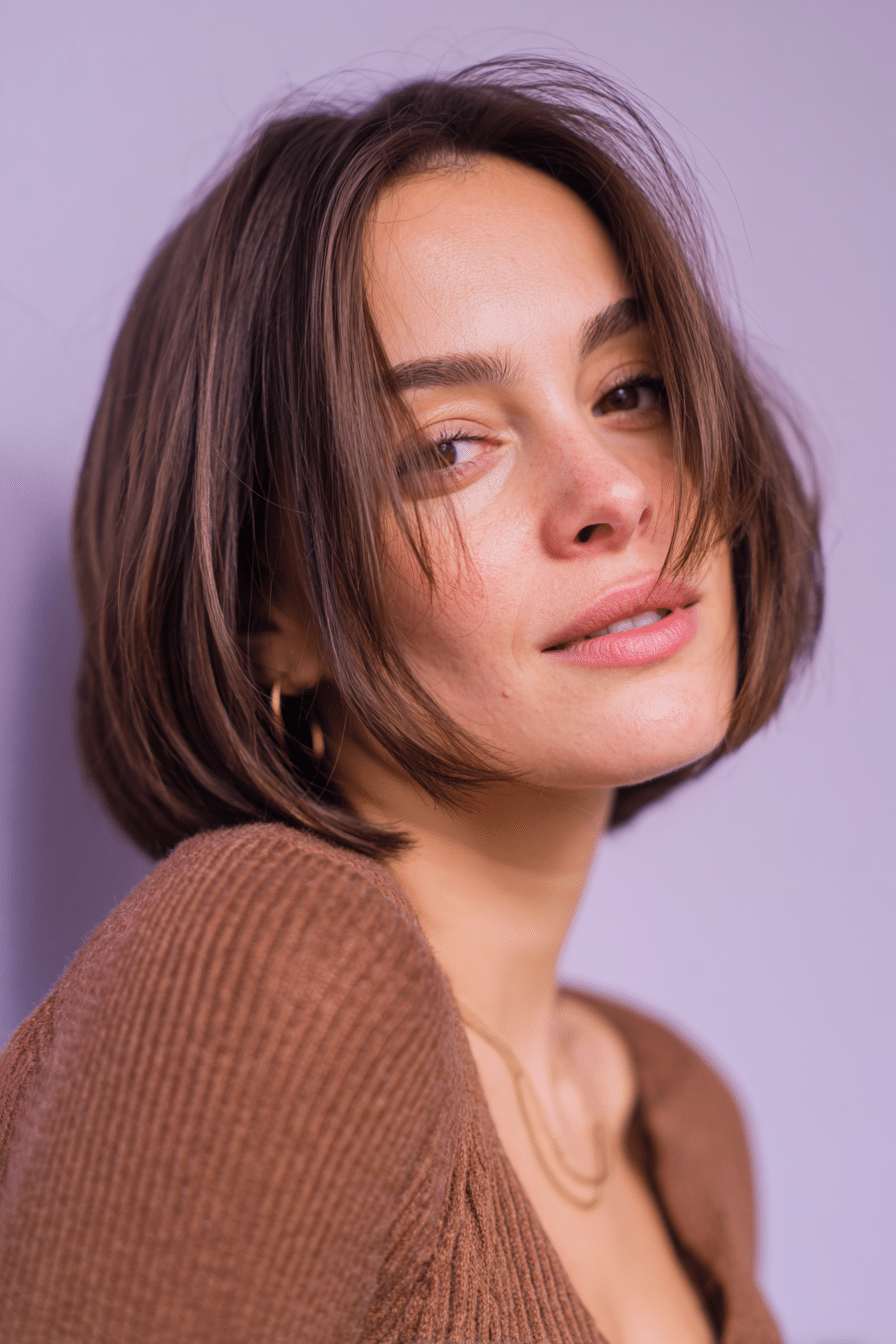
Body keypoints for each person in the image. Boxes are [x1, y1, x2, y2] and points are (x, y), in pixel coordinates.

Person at [0, 56, 822, 1344]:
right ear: (271, 614)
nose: (614, 491)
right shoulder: (273, 967)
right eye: (449, 447)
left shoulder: (672, 1109)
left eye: (630, 392)